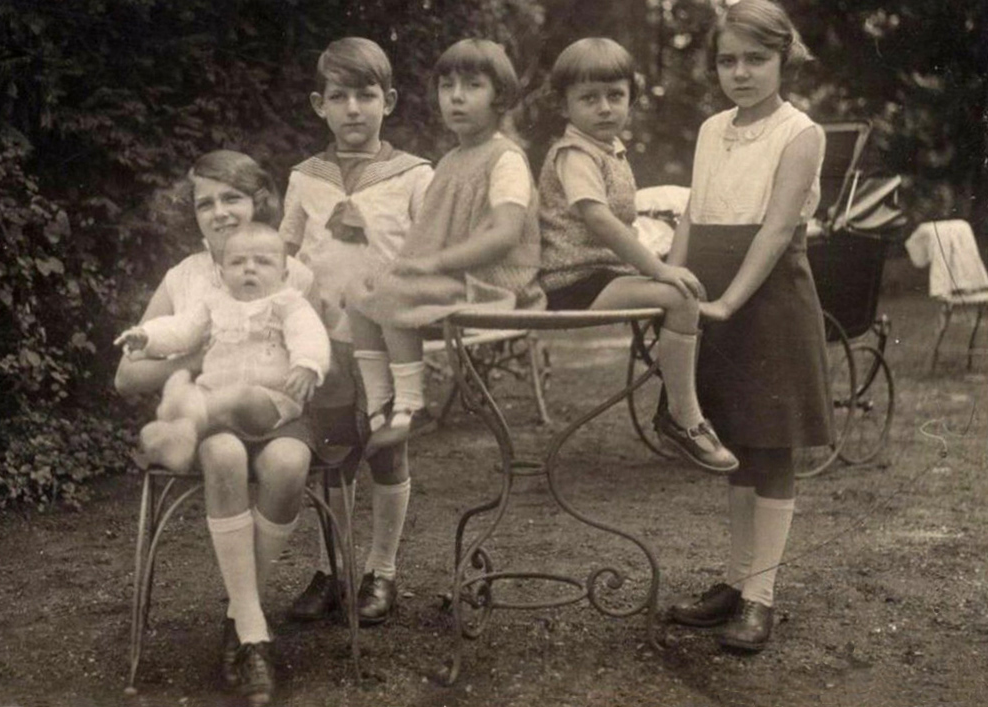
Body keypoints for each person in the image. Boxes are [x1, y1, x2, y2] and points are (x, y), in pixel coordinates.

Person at [114, 150, 322, 706]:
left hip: (277, 412)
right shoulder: (184, 278)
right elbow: (126, 376)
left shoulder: (291, 268)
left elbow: (316, 344)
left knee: (289, 462)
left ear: (259, 202)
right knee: (225, 454)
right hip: (209, 417)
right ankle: (253, 635)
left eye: (232, 198)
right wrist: (195, 355)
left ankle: (237, 613)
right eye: (205, 203)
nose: (220, 212)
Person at [665, 0, 831, 652]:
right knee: (733, 439)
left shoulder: (799, 132)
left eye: (755, 59)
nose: (739, 72)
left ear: (784, 59)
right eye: (727, 60)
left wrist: (730, 301)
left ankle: (760, 595)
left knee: (771, 446)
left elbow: (776, 228)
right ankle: (734, 582)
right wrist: (670, 281)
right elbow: (692, 213)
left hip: (768, 299)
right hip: (709, 293)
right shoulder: (711, 129)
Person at [279, 37, 434, 626]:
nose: (353, 109)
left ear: (387, 101)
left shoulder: (413, 175)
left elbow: (431, 253)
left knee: (385, 451)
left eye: (366, 96)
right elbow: (284, 254)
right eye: (339, 96)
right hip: (324, 341)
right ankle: (331, 569)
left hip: (387, 340)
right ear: (319, 104)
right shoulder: (305, 178)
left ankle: (382, 571)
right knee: (331, 454)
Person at [537, 37, 737, 473]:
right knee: (679, 294)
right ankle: (684, 419)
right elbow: (599, 220)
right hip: (572, 282)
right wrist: (659, 269)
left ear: (631, 97)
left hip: (602, 276)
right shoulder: (575, 154)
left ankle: (688, 404)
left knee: (694, 289)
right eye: (589, 98)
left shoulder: (609, 151)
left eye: (615, 96)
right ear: (563, 105)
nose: (604, 108)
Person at [349, 37, 545, 448]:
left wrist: (433, 264)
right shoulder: (451, 161)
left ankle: (410, 406)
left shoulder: (505, 158)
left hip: (496, 285)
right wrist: (412, 264)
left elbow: (505, 234)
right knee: (358, 290)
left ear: (500, 97)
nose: (456, 97)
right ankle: (379, 404)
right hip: (457, 279)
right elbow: (432, 231)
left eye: (473, 86)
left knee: (393, 292)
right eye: (447, 86)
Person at [114, 223, 331, 474]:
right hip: (220, 407)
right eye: (237, 262)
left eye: (263, 262)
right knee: (212, 399)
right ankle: (180, 434)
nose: (249, 268)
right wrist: (148, 336)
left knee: (242, 395)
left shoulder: (288, 304)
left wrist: (307, 363)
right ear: (222, 272)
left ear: (284, 275)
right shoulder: (214, 303)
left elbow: (309, 334)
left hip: (272, 402)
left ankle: (183, 417)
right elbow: (182, 331)